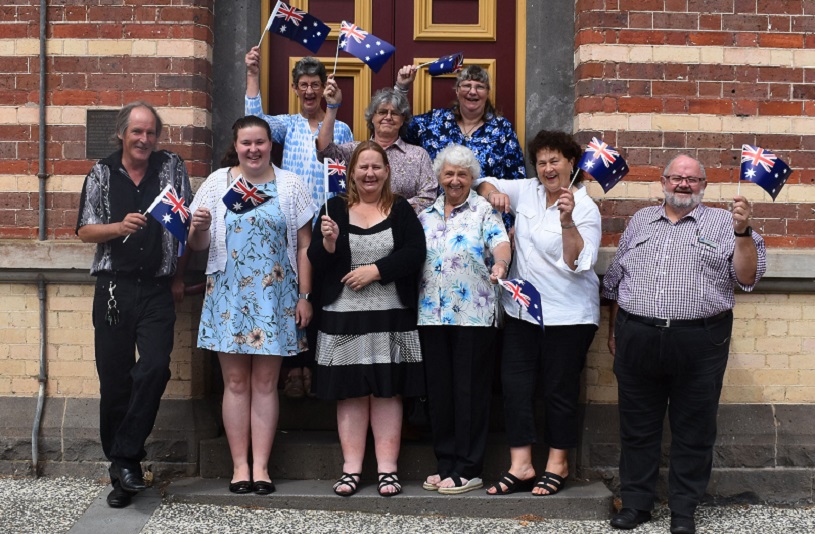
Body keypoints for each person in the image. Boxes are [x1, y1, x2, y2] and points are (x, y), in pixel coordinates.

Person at [603, 154, 766, 534]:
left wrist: (743, 232)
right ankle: (637, 504)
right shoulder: (641, 220)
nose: (682, 184)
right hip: (637, 335)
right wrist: (615, 330)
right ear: (663, 181)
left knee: (694, 427)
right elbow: (616, 280)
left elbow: (746, 278)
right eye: (676, 177)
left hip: (700, 340)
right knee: (637, 426)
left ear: (703, 186)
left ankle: (683, 510)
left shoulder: (728, 223)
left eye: (691, 180)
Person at [186, 116, 316, 495]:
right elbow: (197, 246)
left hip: (276, 297)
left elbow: (305, 246)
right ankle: (239, 466)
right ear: (236, 145)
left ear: (270, 145)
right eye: (246, 143)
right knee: (236, 382)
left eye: (260, 142)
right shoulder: (216, 184)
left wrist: (305, 296)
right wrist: (198, 226)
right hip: (229, 295)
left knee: (265, 382)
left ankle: (262, 467)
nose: (254, 149)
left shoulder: (290, 185)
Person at [76, 101, 192, 508]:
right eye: (137, 132)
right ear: (122, 134)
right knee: (114, 382)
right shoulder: (101, 173)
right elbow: (85, 230)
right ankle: (122, 475)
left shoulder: (172, 167)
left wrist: (179, 275)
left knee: (156, 366)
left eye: (151, 133)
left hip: (158, 289)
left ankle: (125, 455)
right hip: (113, 290)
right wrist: (118, 227)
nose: (145, 139)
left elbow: (183, 228)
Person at [476, 130, 601, 496]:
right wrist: (493, 194)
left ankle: (557, 464)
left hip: (568, 315)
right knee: (516, 387)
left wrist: (567, 221)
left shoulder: (585, 207)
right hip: (522, 310)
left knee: (558, 391)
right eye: (542, 162)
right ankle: (521, 465)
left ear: (571, 163)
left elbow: (577, 261)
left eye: (555, 161)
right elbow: (484, 182)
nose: (547, 169)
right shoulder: (527, 190)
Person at [308, 141, 426, 497]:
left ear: (387, 172)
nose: (370, 173)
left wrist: (375, 270)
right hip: (344, 316)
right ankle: (351, 470)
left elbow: (415, 253)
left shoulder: (400, 209)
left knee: (388, 391)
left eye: (377, 167)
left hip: (391, 315)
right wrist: (328, 244)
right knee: (351, 393)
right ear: (351, 172)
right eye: (363, 167)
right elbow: (316, 260)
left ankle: (388, 470)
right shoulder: (333, 210)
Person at [245, 47, 353, 398]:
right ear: (295, 88)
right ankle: (295, 367)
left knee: (322, 291)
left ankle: (320, 367)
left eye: (315, 85)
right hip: (291, 220)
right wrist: (252, 73)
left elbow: (346, 169)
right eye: (303, 85)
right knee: (294, 291)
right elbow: (253, 121)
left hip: (329, 216)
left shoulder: (342, 126)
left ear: (324, 88)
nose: (309, 91)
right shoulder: (287, 125)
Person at [417, 144, 511, 495]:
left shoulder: (484, 210)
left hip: (474, 313)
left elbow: (500, 244)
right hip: (431, 313)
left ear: (472, 178)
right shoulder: (425, 215)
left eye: (462, 174)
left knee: (469, 391)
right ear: (439, 177)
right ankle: (446, 464)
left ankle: (469, 467)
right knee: (439, 392)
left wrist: (501, 263)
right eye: (449, 173)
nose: (455, 180)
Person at [395, 64, 525, 229]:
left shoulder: (501, 129)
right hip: (438, 221)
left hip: (486, 222)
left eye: (480, 87)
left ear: (487, 93)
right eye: (466, 85)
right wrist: (402, 87)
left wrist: (517, 224)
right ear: (457, 90)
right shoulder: (435, 121)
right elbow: (395, 127)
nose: (472, 91)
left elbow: (517, 178)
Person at [316, 83, 437, 213]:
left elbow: (428, 197)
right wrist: (332, 107)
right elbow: (325, 152)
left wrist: (390, 209)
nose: (388, 117)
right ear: (372, 117)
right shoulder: (355, 150)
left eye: (395, 113)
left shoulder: (418, 155)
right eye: (383, 112)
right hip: (360, 225)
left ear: (403, 120)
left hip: (402, 227)